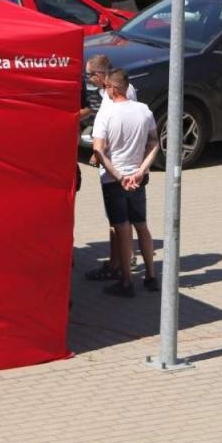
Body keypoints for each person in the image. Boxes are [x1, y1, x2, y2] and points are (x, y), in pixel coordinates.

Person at [90, 70, 158, 299]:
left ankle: (126, 280)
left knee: (121, 227)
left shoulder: (106, 115)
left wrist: (119, 177)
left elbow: (98, 149)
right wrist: (140, 171)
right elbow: (154, 144)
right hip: (137, 178)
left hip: (113, 179)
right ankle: (151, 275)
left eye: (107, 87)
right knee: (142, 225)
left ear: (113, 88)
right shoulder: (144, 110)